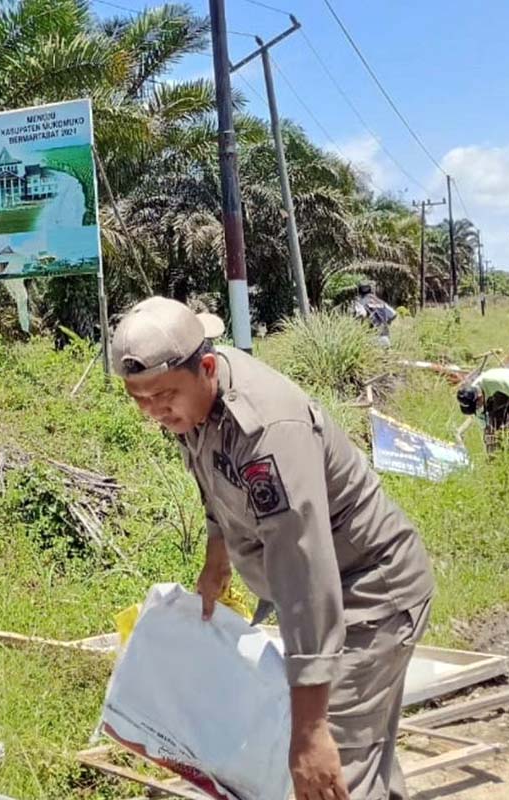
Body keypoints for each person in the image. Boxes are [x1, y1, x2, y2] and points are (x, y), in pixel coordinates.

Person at [112, 296, 434, 800]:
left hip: (367, 595)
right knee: (360, 762)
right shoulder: (193, 404)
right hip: (331, 591)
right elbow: (214, 485)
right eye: (139, 398)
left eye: (164, 395)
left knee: (328, 771)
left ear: (208, 367)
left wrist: (308, 731)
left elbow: (305, 573)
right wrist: (216, 560)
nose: (153, 410)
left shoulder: (267, 433)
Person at [455, 368, 509, 453]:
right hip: (491, 393)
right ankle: (496, 457)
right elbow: (486, 427)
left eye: (477, 407)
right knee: (493, 426)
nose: (478, 410)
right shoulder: (470, 397)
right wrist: (489, 443)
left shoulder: (494, 383)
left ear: (479, 398)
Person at [352, 282, 397, 346]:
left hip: (371, 338)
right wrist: (386, 322)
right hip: (385, 338)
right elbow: (394, 314)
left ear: (359, 291)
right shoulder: (380, 302)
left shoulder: (360, 302)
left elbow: (362, 314)